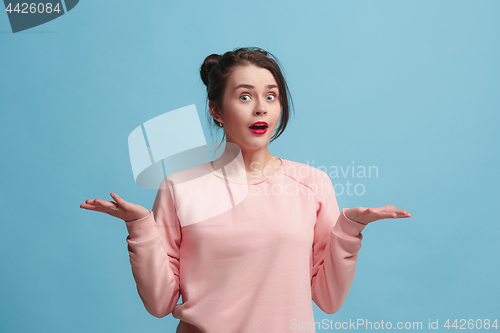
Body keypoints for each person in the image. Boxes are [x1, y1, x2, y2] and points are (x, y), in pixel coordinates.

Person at [80, 47, 411, 332]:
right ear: (216, 110)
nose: (261, 108)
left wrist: (350, 230)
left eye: (271, 96)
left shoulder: (312, 184)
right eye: (244, 96)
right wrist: (140, 228)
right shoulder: (179, 187)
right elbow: (158, 302)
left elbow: (328, 299)